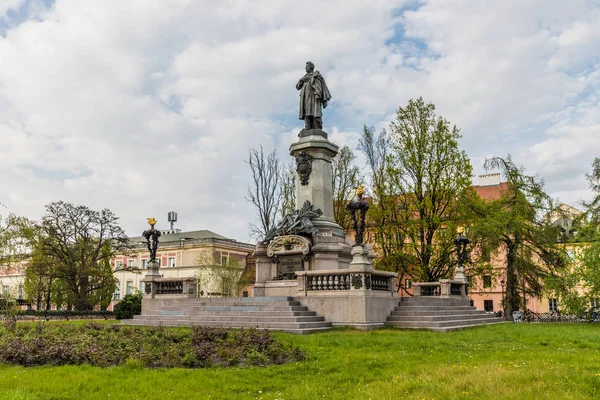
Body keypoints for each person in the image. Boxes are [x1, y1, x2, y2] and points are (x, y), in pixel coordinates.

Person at [296, 61, 331, 130]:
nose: (306, 68)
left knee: (315, 112)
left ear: (311, 67)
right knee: (306, 111)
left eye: (307, 66)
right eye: (306, 66)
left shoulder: (315, 76)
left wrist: (318, 94)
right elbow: (297, 87)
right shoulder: (304, 77)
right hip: (305, 98)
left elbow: (319, 86)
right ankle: (307, 126)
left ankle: (317, 127)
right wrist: (301, 80)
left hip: (313, 97)